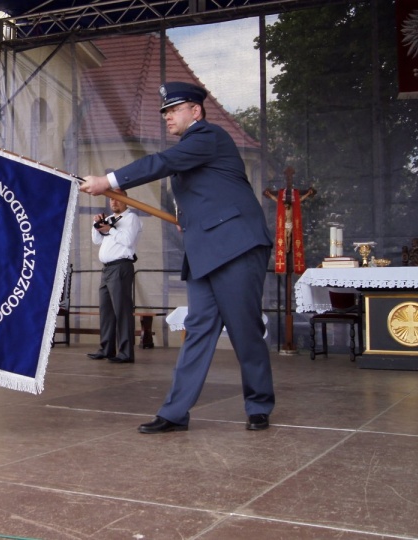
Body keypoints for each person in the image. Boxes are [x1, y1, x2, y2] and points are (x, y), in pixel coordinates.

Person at [80, 82, 274, 434]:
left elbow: (162, 162)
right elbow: (203, 194)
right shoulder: (192, 151)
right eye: (165, 112)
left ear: (195, 111)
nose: (167, 116)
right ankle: (175, 412)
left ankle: (259, 404)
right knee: (198, 329)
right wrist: (188, 219)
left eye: (174, 109)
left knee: (244, 328)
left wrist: (108, 179)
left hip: (235, 245)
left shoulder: (208, 137)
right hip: (204, 251)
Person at [86, 189, 142, 364]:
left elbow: (127, 241)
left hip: (120, 267)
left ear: (126, 200)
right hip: (107, 269)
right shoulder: (111, 219)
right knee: (106, 311)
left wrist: (110, 229)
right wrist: (97, 225)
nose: (113, 202)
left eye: (117, 199)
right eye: (111, 200)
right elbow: (97, 240)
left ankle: (126, 352)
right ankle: (106, 349)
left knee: (122, 310)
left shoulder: (131, 218)